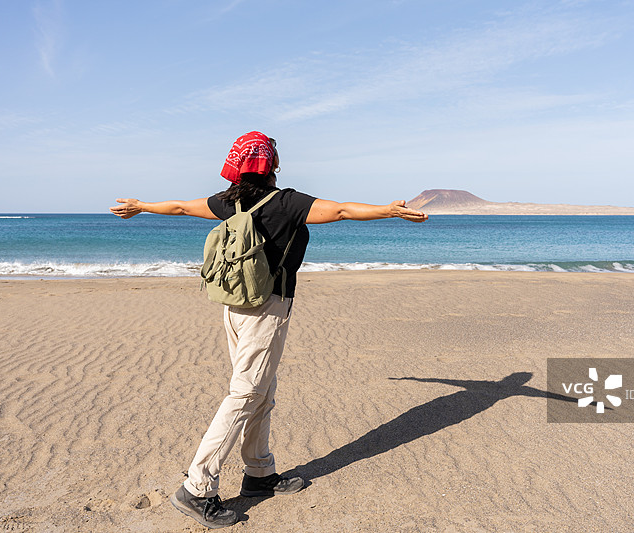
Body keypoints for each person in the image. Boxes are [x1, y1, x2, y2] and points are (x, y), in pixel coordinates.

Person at [109, 131, 427, 529]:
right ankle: (196, 487)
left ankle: (258, 474)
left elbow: (180, 207)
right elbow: (342, 210)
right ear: (273, 164)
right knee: (247, 393)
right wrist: (388, 210)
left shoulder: (230, 201)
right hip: (267, 309)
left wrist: (141, 206)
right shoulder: (287, 202)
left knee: (261, 389)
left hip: (233, 305)